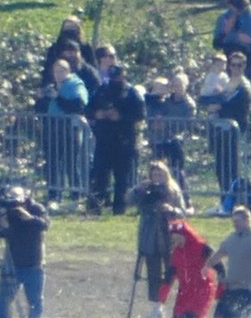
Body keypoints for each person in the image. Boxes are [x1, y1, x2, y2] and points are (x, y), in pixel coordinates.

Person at [0, 187, 50, 318]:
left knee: (35, 303)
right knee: (3, 303)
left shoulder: (36, 209)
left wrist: (25, 214)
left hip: (34, 264)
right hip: (12, 265)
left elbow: (43, 225)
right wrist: (0, 217)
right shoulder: (6, 212)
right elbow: (1, 233)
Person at [127, 161, 186, 318]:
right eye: (154, 174)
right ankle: (156, 306)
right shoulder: (145, 189)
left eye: (160, 174)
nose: (157, 177)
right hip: (150, 237)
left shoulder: (173, 190)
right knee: (153, 273)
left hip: (169, 237)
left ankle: (180, 306)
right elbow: (129, 201)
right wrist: (139, 189)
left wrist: (171, 210)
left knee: (172, 272)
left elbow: (183, 211)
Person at [87, 64, 146, 215]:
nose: (115, 80)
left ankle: (119, 209)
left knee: (122, 178)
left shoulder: (132, 93)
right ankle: (95, 207)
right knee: (99, 175)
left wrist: (121, 117)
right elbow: (88, 109)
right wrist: (97, 114)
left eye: (118, 77)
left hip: (124, 141)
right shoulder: (101, 91)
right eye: (113, 77)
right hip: (104, 140)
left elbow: (140, 115)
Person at [158, 219, 219, 318]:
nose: (171, 239)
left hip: (203, 289)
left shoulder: (202, 247)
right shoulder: (176, 253)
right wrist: (163, 294)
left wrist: (222, 286)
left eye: (174, 236)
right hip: (185, 290)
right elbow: (170, 274)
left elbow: (219, 267)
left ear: (183, 235)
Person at [42, 58, 90, 209]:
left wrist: (58, 97)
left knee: (71, 163)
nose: (58, 74)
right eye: (56, 71)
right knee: (53, 164)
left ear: (68, 71)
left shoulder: (76, 84)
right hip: (52, 128)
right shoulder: (53, 86)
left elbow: (78, 105)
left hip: (70, 129)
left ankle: (76, 195)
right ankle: (54, 195)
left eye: (62, 71)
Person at [208, 52, 251, 197]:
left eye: (239, 65)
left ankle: (234, 198)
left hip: (235, 129)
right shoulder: (226, 82)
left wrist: (220, 106)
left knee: (232, 166)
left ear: (244, 66)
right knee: (221, 165)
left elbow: (238, 106)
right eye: (233, 65)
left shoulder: (244, 85)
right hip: (221, 128)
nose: (236, 68)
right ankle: (224, 196)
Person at [148, 72, 196, 209]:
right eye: (174, 84)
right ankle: (155, 200)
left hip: (176, 142)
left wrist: (167, 125)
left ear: (185, 86)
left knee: (177, 171)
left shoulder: (189, 104)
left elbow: (188, 125)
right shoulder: (166, 101)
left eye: (180, 84)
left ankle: (186, 200)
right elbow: (155, 109)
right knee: (156, 170)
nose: (177, 87)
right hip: (161, 140)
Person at [212, 0, 251, 89]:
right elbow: (217, 42)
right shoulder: (224, 17)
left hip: (248, 57)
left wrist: (231, 34)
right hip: (229, 54)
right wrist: (227, 33)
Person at [41, 16, 97, 87]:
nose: (69, 32)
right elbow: (48, 67)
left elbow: (93, 65)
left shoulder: (85, 47)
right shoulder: (55, 47)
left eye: (72, 28)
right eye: (67, 28)